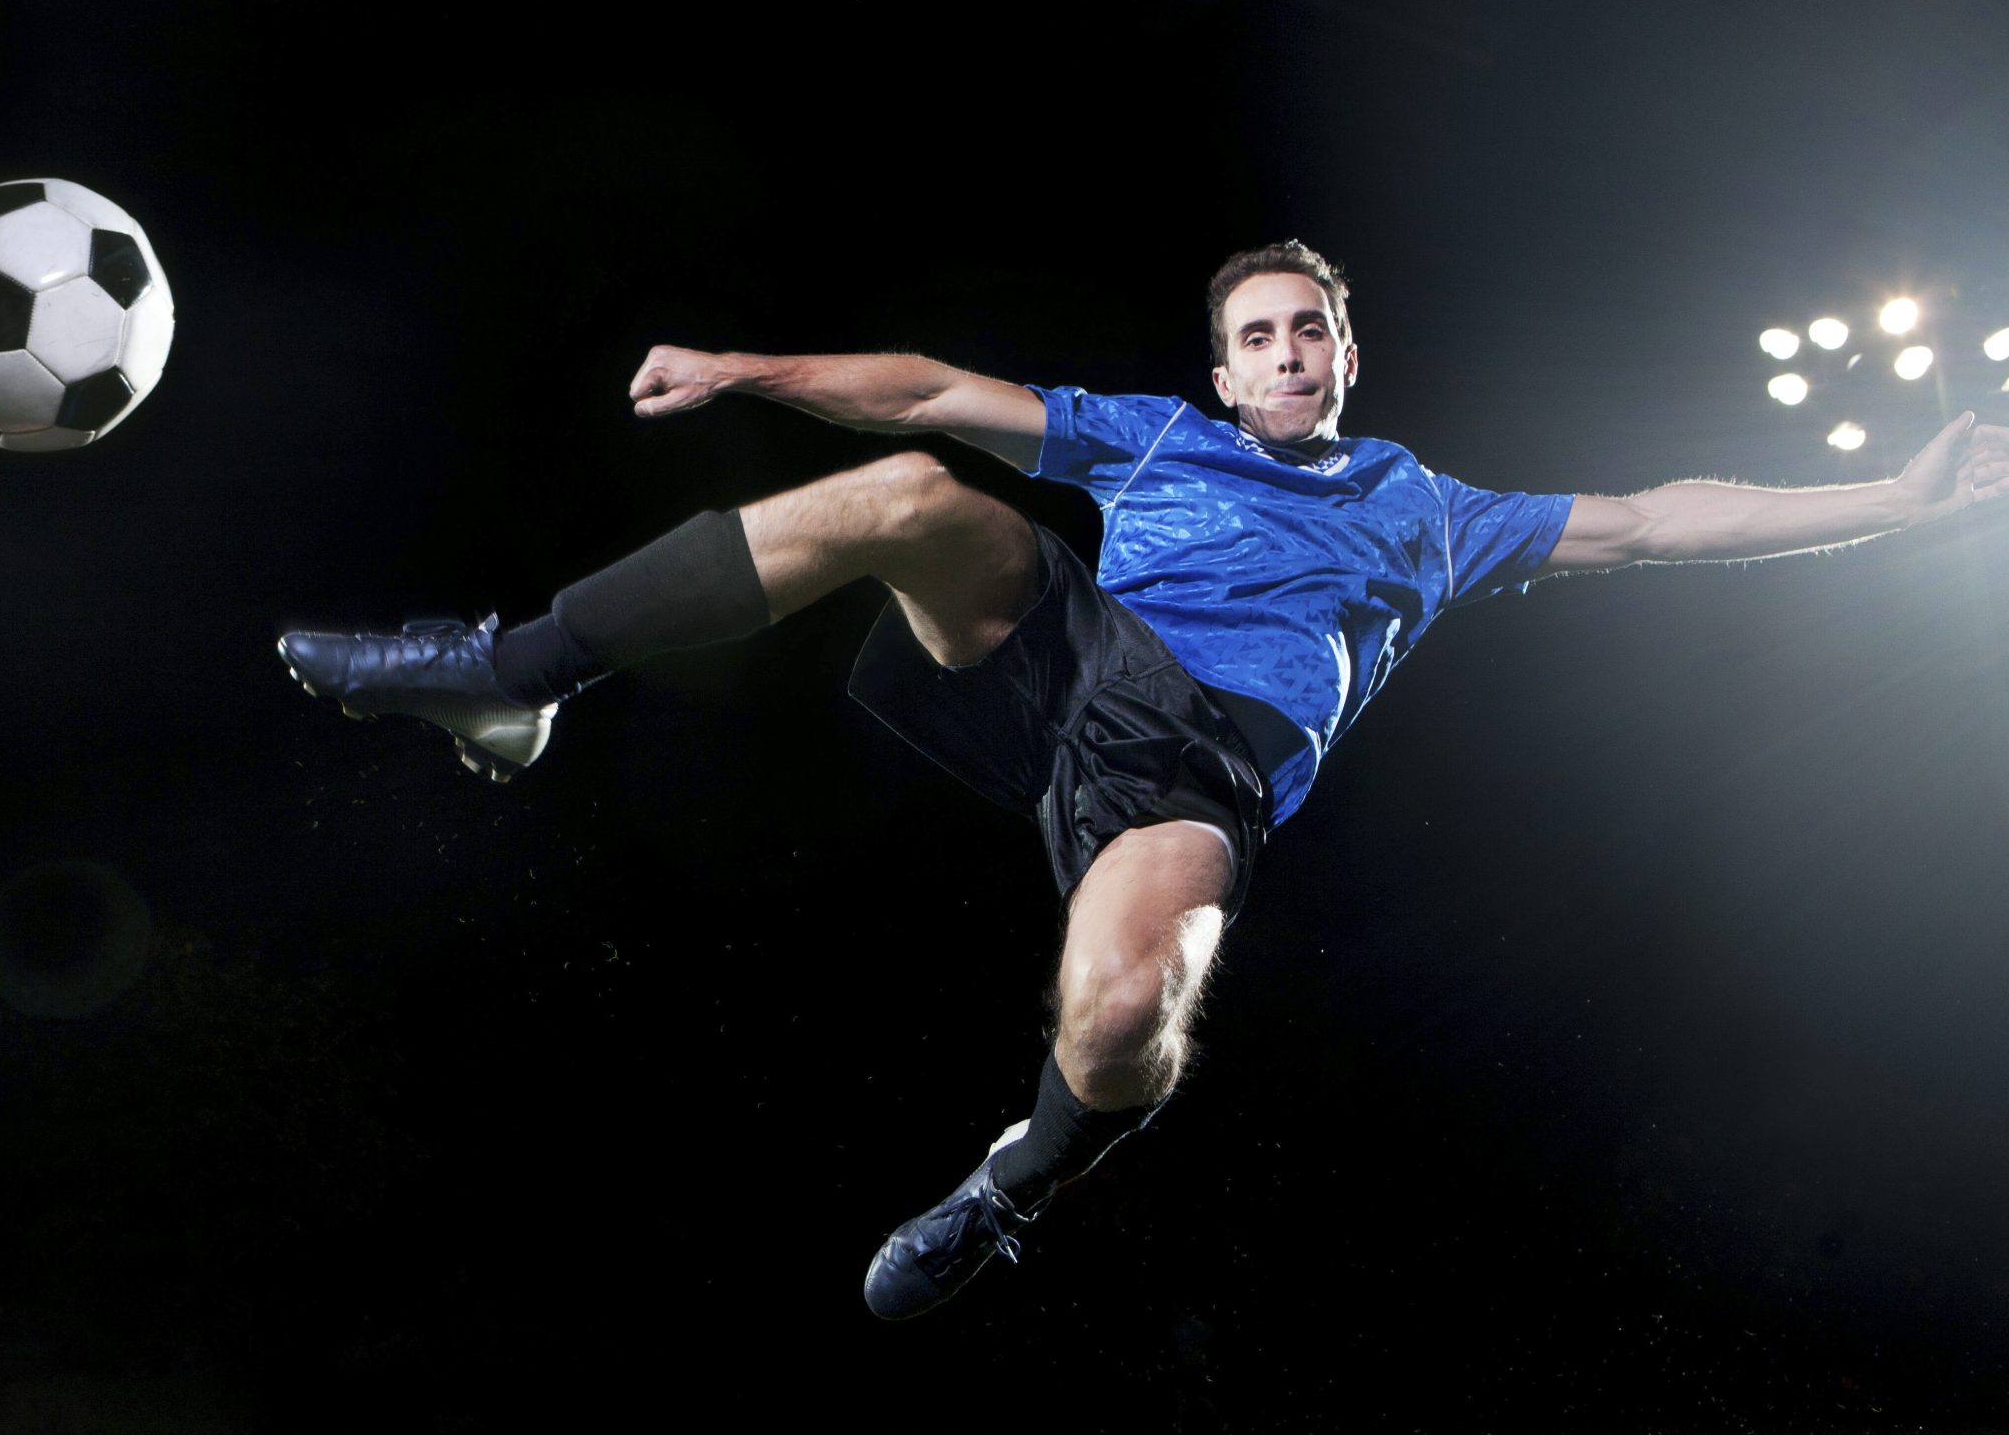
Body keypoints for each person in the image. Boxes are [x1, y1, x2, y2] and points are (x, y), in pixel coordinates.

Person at [276, 241, 2007, 1322]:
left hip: (1191, 771)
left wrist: (1902, 508)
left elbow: (1652, 515)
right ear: (1223, 369)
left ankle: (1010, 1183)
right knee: (907, 489)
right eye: (1258, 336)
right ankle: (508, 678)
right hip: (1062, 668)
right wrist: (746, 370)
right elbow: (943, 390)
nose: (1286, 356)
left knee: (1118, 1021)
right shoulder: (1158, 436)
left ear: (1343, 354)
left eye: (1310, 332)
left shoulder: (1430, 509)